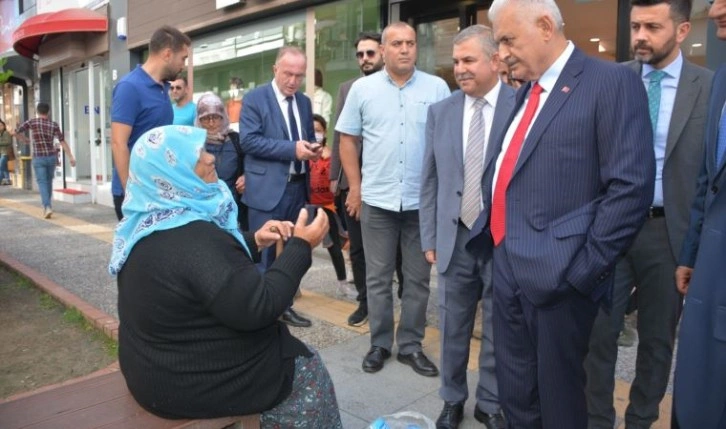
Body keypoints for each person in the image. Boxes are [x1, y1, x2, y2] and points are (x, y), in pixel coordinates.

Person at [477, 0, 655, 427]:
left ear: (544, 26)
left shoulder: (609, 82)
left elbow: (630, 188)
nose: (500, 52)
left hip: (560, 279)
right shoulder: (526, 92)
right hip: (506, 265)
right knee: (517, 394)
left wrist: (582, 273)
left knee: (560, 403)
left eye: (506, 39)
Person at [108, 125, 341, 428]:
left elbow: (201, 270)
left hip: (152, 374)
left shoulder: (148, 223)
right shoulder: (195, 238)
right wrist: (301, 246)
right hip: (188, 385)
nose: (210, 159)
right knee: (307, 368)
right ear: (173, 171)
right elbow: (261, 307)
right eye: (198, 155)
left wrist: (254, 240)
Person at [583, 0, 713, 427]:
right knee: (598, 335)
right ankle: (597, 420)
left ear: (680, 31)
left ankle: (640, 421)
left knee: (657, 343)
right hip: (611, 228)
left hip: (668, 233)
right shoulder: (610, 79)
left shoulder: (710, 88)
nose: (639, 35)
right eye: (635, 25)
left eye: (652, 27)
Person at [336, 22, 450, 377]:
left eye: (410, 43)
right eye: (397, 43)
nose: (405, 49)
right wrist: (355, 188)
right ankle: (380, 343)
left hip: (422, 204)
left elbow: (448, 143)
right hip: (378, 201)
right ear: (383, 50)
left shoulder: (437, 88)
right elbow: (348, 141)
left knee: (417, 280)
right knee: (377, 277)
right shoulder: (362, 90)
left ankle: (411, 345)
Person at [419, 25, 513, 429]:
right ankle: (452, 399)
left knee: (498, 325)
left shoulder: (521, 105)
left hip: (500, 238)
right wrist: (429, 237)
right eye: (456, 61)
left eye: (468, 60)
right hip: (453, 237)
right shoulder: (441, 112)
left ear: (495, 60)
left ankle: (489, 402)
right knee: (452, 325)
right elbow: (429, 180)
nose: (459, 69)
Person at [673, 0, 726, 426]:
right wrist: (690, 253)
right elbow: (708, 178)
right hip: (709, 266)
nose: (716, 7)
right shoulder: (723, 80)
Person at [240, 46, 320, 328]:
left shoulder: (304, 102)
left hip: (298, 187)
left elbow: (305, 138)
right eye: (288, 74)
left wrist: (312, 148)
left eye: (299, 75)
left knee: (290, 253)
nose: (293, 81)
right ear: (275, 69)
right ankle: (261, 313)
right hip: (267, 189)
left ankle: (284, 306)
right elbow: (248, 141)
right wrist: (292, 149)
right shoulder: (254, 99)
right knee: (263, 252)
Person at [330, 31, 385, 326]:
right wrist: (334, 178)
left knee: (394, 249)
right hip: (353, 181)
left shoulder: (394, 87)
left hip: (386, 180)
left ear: (382, 54)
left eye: (370, 53)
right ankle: (365, 301)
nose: (364, 59)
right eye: (360, 54)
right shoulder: (347, 88)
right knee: (360, 247)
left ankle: (387, 297)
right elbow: (339, 134)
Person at [111, 25, 190, 221]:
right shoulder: (129, 87)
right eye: (183, 58)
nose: (184, 65)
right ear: (167, 54)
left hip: (158, 189)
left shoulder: (164, 88)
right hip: (136, 193)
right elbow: (118, 143)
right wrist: (131, 193)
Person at [309, 114, 357, 299]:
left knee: (335, 248)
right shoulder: (302, 155)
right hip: (306, 206)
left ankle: (343, 284)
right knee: (300, 248)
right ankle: (293, 286)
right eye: (312, 130)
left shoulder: (333, 156)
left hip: (328, 207)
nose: (316, 134)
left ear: (325, 132)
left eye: (319, 130)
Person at [194, 92, 248, 230]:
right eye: (206, 118)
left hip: (233, 209)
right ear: (199, 120)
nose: (211, 123)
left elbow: (250, 163)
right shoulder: (192, 143)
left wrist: (246, 176)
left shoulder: (236, 140)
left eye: (216, 117)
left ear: (223, 117)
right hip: (201, 211)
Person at [15, 103, 76, 219]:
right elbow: (62, 141)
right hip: (51, 157)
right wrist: (71, 157)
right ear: (48, 112)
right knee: (48, 181)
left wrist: (24, 139)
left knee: (42, 182)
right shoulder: (54, 125)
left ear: (37, 112)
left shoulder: (32, 122)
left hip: (39, 158)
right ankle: (48, 205)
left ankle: (47, 206)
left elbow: (16, 131)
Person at [0, 119, 13, 185]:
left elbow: (8, 142)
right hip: (1, 153)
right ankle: (7, 179)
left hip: (5, 153)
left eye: (1, 125)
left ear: (4, 126)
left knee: (1, 166)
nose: (0, 126)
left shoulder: (6, 133)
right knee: (4, 167)